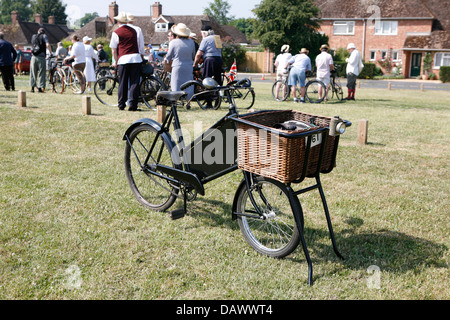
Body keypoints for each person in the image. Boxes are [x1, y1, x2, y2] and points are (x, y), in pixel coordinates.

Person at [110, 12, 145, 111]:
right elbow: (139, 45)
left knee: (123, 82)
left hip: (123, 58)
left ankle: (121, 104)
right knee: (134, 83)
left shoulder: (116, 32)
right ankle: (133, 105)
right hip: (135, 58)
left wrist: (116, 61)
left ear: (118, 21)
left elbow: (114, 49)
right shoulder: (134, 30)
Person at [164, 23, 195, 100]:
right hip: (188, 66)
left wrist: (166, 59)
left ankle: (176, 101)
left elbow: (169, 56)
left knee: (176, 84)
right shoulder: (191, 42)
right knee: (189, 85)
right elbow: (193, 55)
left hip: (177, 65)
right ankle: (188, 101)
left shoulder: (173, 42)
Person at [30, 28, 52, 93]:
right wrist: (50, 52)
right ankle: (40, 88)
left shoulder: (34, 36)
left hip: (33, 57)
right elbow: (47, 44)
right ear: (44, 32)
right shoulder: (44, 36)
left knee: (33, 73)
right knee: (41, 73)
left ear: (38, 31)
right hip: (41, 57)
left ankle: (32, 88)